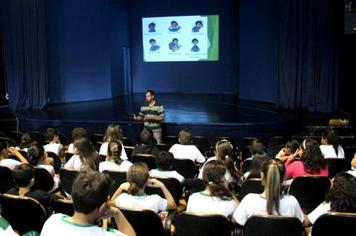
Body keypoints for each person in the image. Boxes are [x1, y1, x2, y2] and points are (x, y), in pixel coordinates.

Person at [41, 170, 136, 236]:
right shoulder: (109, 234)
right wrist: (117, 214)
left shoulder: (52, 221)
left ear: (73, 197)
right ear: (103, 207)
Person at [233, 159, 304, 226]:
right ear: (283, 178)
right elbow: (302, 224)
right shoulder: (292, 202)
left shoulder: (249, 200)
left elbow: (236, 221)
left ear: (262, 176)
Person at [112, 162, 176, 213]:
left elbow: (109, 203)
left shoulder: (122, 198)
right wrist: (162, 186)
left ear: (128, 180)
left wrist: (120, 188)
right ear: (147, 181)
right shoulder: (155, 200)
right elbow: (173, 205)